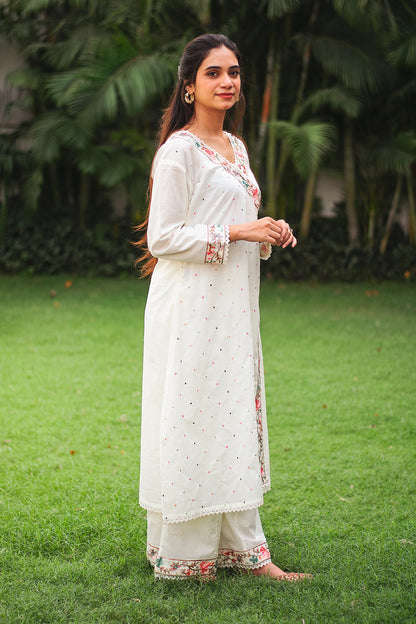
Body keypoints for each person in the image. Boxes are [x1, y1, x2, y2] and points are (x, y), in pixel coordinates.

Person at [137, 33, 308, 582]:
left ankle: (248, 551)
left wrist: (267, 231)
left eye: (233, 72)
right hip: (188, 308)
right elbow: (163, 238)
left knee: (231, 414)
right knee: (193, 415)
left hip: (233, 308)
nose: (227, 82)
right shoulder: (178, 152)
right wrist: (238, 230)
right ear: (189, 86)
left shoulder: (237, 149)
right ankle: (188, 553)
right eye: (214, 73)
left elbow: (233, 220)